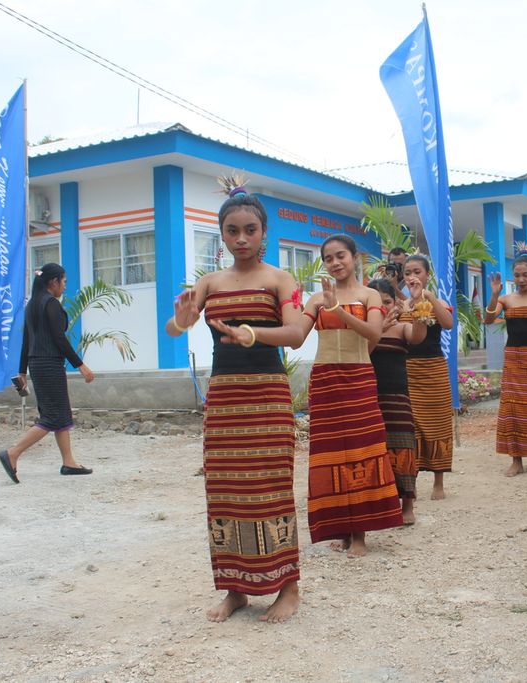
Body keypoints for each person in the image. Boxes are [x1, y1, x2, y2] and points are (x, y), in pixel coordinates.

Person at [170, 177, 304, 623]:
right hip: (224, 400)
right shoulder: (209, 282)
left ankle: (288, 587)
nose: (241, 238)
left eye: (250, 229)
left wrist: (251, 333)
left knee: (271, 491)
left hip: (267, 398)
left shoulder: (281, 279)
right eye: (232, 230)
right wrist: (180, 320)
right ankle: (236, 589)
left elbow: (297, 333)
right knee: (226, 493)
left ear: (264, 231)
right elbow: (175, 329)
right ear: (222, 233)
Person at [298, 234, 403, 557]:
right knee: (329, 454)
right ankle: (340, 528)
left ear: (354, 257)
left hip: (358, 377)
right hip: (326, 379)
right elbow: (296, 337)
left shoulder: (370, 294)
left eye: (340, 255)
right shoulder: (315, 298)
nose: (335, 263)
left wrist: (338, 311)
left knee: (361, 450)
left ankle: (360, 533)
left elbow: (374, 333)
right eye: (328, 258)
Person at [0, 264, 95, 483]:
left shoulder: (32, 305)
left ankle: (69, 462)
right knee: (52, 417)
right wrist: (80, 365)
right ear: (54, 282)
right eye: (64, 282)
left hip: (37, 365)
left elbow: (27, 341)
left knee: (60, 414)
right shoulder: (50, 304)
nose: (64, 287)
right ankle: (13, 453)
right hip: (49, 365)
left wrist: (22, 370)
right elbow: (59, 339)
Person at [366, 278, 427, 524]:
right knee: (374, 448)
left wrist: (420, 303)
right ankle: (379, 502)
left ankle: (408, 503)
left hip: (397, 396)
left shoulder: (402, 328)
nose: (383, 307)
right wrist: (376, 330)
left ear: (396, 303)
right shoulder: (363, 329)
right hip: (368, 395)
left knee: (403, 447)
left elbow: (419, 336)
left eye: (388, 301)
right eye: (376, 303)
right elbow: (359, 353)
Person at [484, 255, 527, 476]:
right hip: (513, 358)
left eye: (526, 274)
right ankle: (516, 460)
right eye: (517, 275)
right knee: (512, 408)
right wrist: (494, 295)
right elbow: (488, 319)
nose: (521, 279)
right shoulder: (506, 298)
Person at [400, 254, 456, 500]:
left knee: (438, 424)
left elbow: (448, 324)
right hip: (407, 370)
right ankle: (409, 484)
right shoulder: (401, 304)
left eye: (417, 272)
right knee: (410, 428)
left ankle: (439, 482)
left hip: (433, 370)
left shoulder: (436, 301)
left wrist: (429, 296)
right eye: (407, 272)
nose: (412, 277)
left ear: (427, 274)